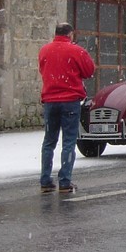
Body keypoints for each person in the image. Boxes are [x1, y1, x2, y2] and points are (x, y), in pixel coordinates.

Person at [38, 22, 95, 194]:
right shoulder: (76, 51)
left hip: (50, 100)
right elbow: (89, 71)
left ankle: (46, 180)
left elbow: (43, 70)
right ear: (70, 34)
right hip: (70, 100)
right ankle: (64, 181)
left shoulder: (45, 50)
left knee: (49, 142)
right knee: (69, 142)